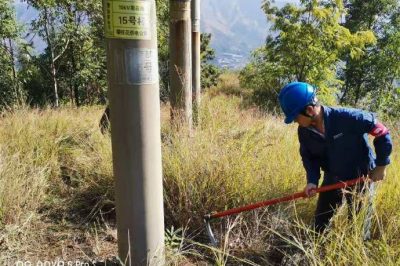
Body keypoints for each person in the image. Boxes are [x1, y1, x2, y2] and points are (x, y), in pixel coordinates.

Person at [278, 82, 393, 233]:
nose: (294, 121)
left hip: (361, 177)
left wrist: (381, 166)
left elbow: (382, 133)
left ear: (309, 110)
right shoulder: (304, 132)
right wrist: (312, 181)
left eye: (295, 117)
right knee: (319, 225)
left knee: (359, 226)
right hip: (333, 178)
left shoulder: (347, 117)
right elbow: (309, 157)